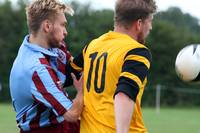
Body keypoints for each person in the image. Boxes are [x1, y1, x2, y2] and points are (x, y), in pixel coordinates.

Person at [69, 0, 157, 132]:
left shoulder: (92, 46)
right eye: (150, 21)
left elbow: (67, 73)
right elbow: (124, 94)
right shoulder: (137, 51)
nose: (150, 27)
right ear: (139, 24)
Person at [9, 0, 83, 133]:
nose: (65, 31)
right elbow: (72, 114)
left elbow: (74, 69)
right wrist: (81, 91)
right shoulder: (36, 68)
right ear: (47, 26)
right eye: (62, 25)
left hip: (60, 123)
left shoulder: (51, 47)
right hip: (46, 129)